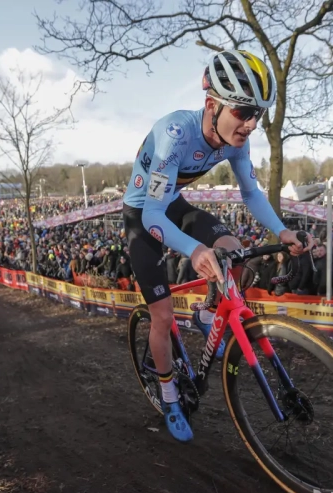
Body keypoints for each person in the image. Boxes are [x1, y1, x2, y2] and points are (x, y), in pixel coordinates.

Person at [121, 50, 312, 443]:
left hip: (172, 204)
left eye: (258, 114)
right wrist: (193, 251)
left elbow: (252, 194)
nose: (251, 124)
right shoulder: (175, 134)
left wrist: (282, 231)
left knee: (232, 248)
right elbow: (153, 215)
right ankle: (171, 397)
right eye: (244, 112)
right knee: (160, 316)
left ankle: (210, 312)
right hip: (142, 214)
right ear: (212, 105)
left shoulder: (235, 141)